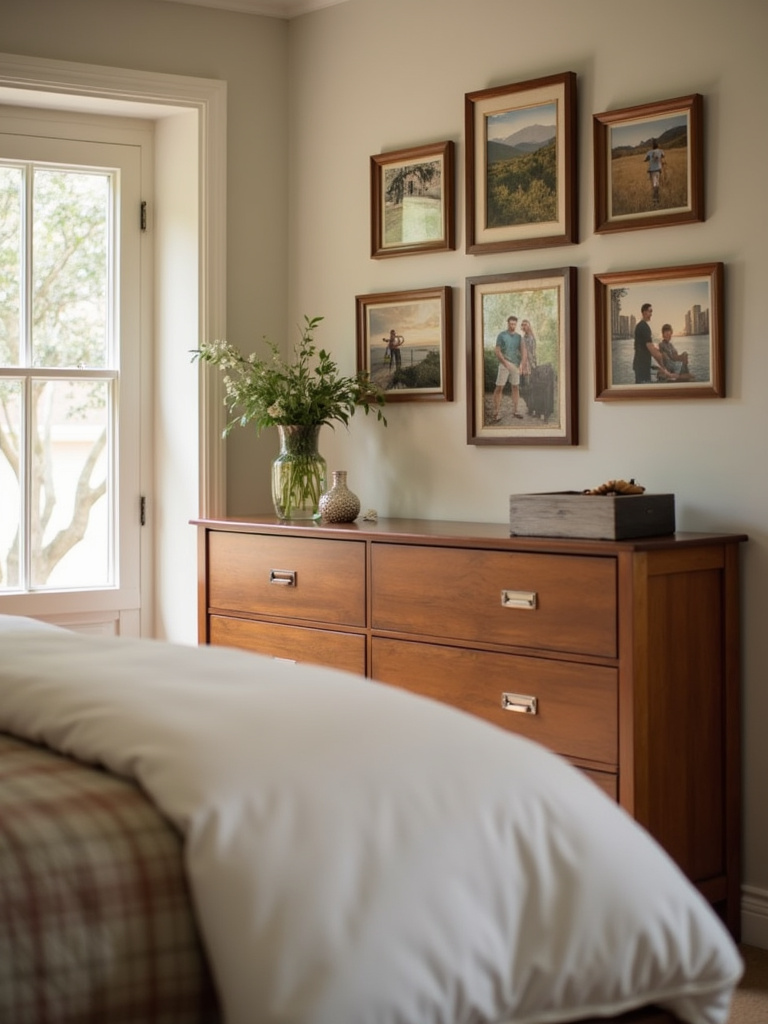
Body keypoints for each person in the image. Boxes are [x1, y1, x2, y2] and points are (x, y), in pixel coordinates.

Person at [492, 315, 528, 421]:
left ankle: (516, 411)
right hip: (504, 364)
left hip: (515, 365)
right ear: (508, 323)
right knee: (499, 387)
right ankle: (496, 413)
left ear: (516, 324)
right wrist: (504, 362)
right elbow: (497, 351)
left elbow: (523, 351)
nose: (513, 326)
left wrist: (522, 364)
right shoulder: (501, 335)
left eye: (514, 324)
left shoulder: (518, 337)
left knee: (515, 387)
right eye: (511, 324)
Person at [633, 303, 677, 383]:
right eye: (650, 311)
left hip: (639, 365)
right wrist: (666, 371)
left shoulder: (639, 326)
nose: (651, 314)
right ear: (644, 312)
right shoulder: (644, 327)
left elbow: (646, 346)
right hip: (642, 366)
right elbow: (653, 351)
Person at [644, 138, 666, 207]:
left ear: (652, 146)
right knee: (657, 184)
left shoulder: (649, 152)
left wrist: (648, 159)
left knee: (654, 185)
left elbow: (645, 159)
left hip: (652, 171)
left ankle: (655, 201)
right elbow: (663, 156)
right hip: (658, 170)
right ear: (657, 145)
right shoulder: (660, 151)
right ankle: (657, 198)